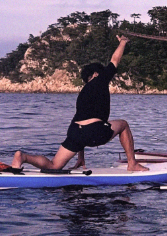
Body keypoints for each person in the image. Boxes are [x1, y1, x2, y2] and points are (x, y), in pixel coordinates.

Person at [12, 35, 148, 172]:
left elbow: (81, 123)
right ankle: (132, 163)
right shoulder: (100, 79)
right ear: (95, 74)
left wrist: (79, 155)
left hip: (75, 132)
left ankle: (23, 157)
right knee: (123, 125)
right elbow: (115, 60)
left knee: (54, 165)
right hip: (95, 131)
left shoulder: (82, 94)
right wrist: (123, 42)